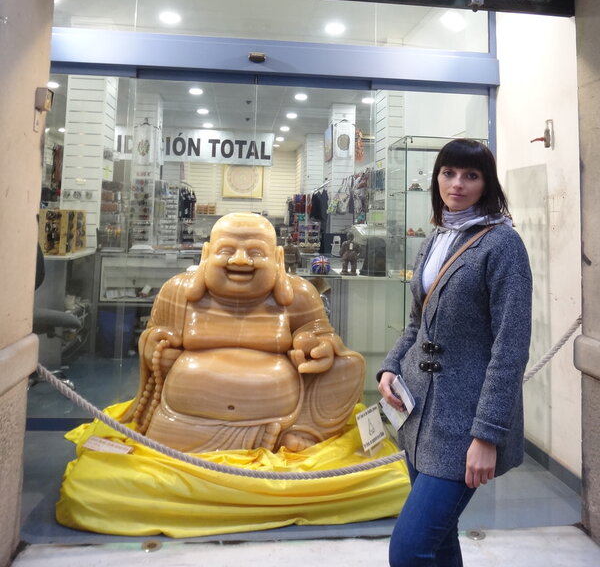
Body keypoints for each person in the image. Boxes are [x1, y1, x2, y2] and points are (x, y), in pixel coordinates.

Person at [377, 139, 532, 567]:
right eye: (448, 173)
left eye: (470, 175)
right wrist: (390, 366)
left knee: (409, 550)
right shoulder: (436, 237)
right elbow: (417, 322)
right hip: (418, 414)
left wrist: (487, 435)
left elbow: (511, 346)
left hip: (465, 422)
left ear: (487, 184)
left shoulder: (503, 244)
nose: (457, 184)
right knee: (440, 542)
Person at [124, 212, 365, 453]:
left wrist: (318, 347)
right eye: (226, 251)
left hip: (282, 414)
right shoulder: (177, 291)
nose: (240, 260)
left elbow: (321, 335)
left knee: (349, 367)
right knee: (169, 437)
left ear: (278, 258)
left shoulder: (299, 293)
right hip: (187, 419)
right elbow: (152, 338)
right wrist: (157, 347)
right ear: (206, 254)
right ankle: (280, 439)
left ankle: (301, 430)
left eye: (255, 253)